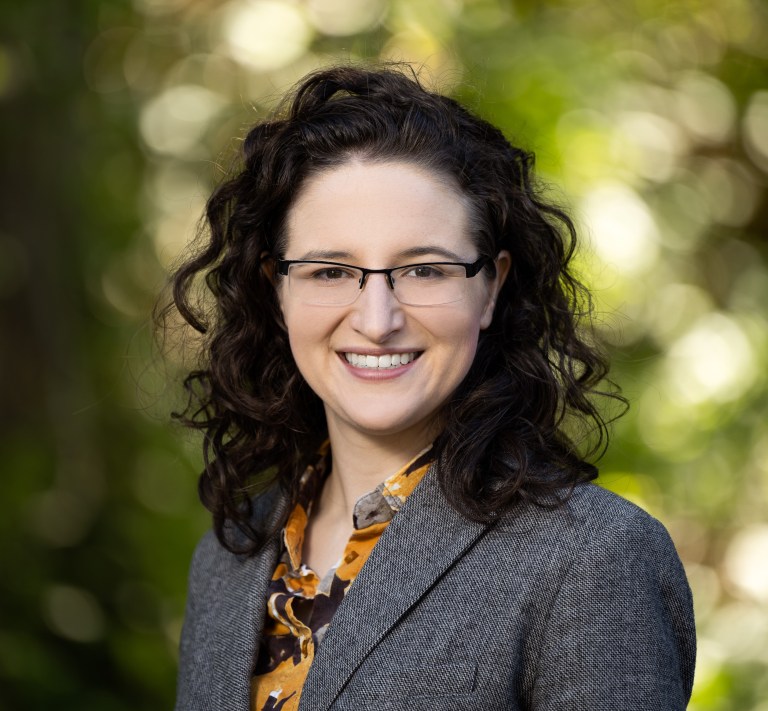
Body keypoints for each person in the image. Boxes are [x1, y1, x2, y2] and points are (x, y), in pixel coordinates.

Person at [167, 65, 695, 710]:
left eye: (424, 269)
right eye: (331, 271)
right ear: (277, 288)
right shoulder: (229, 554)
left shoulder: (594, 555)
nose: (377, 320)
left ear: (492, 287)